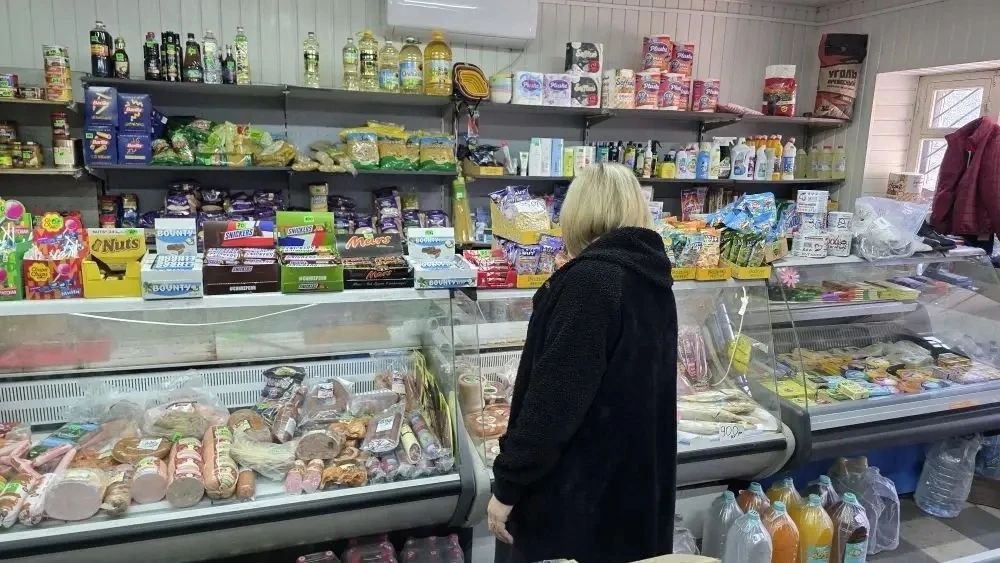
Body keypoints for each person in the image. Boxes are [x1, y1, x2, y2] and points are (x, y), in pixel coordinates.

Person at [489, 163, 678, 563]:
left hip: (580, 508)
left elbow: (553, 402)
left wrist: (507, 487)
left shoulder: (591, 281)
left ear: (576, 212)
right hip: (629, 499)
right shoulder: (651, 277)